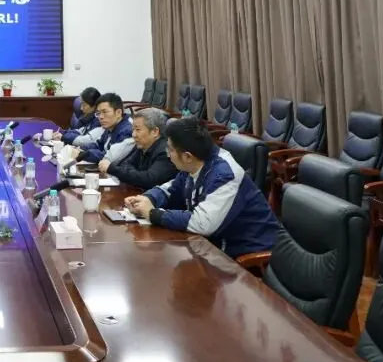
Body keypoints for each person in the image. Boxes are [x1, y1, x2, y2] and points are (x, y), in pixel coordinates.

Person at [124, 117, 280, 259]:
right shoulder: (196, 161)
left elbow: (202, 223)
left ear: (187, 156)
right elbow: (172, 188)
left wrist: (153, 214)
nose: (168, 154)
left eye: (170, 150)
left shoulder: (225, 175)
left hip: (247, 256)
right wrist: (148, 198)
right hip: (212, 247)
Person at [105, 108, 177, 189]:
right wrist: (138, 175)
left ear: (155, 132)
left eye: (138, 130)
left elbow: (149, 180)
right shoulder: (142, 145)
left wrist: (112, 169)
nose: (133, 135)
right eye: (133, 129)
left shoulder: (166, 152)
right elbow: (125, 165)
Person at [76, 93, 134, 168]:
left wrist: (82, 154)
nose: (101, 117)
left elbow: (108, 157)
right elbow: (98, 144)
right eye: (98, 113)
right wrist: (80, 149)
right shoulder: (111, 126)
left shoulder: (128, 130)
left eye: (105, 112)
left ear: (118, 112)